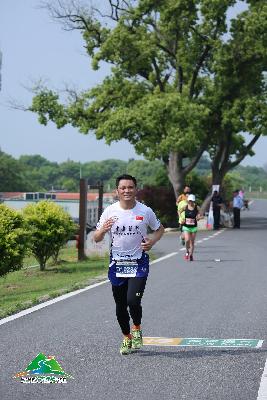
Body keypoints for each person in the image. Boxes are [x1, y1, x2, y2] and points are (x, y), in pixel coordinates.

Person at [93, 174, 165, 355]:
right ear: (117, 191)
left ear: (136, 189)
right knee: (120, 304)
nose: (127, 190)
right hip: (117, 263)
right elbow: (96, 238)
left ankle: (137, 328)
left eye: (130, 187)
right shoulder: (110, 211)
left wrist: (152, 242)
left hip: (138, 262)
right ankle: (126, 337)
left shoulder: (145, 211)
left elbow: (159, 229)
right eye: (123, 188)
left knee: (133, 300)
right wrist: (102, 230)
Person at [180, 194, 202, 261]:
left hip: (193, 227)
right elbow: (179, 211)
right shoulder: (185, 207)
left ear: (194, 201)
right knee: (187, 240)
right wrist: (182, 218)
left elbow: (201, 215)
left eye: (192, 201)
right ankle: (187, 251)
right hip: (186, 226)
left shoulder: (197, 207)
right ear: (188, 200)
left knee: (192, 242)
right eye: (189, 201)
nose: (191, 202)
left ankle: (191, 255)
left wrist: (198, 217)